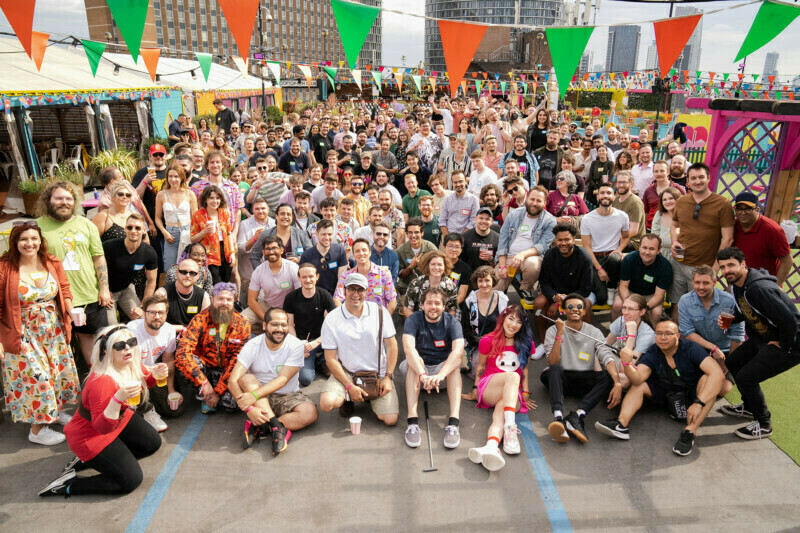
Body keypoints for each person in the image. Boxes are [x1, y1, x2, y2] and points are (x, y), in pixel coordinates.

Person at [39, 326, 163, 497]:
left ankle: (89, 460)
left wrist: (154, 375)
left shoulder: (130, 364)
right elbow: (102, 428)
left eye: (131, 342)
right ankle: (68, 484)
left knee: (152, 443)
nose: (128, 348)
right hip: (90, 435)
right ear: (106, 351)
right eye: (119, 345)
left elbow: (144, 384)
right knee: (132, 480)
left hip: (117, 418)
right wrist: (118, 399)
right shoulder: (101, 381)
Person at [0, 222, 80, 445]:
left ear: (40, 240)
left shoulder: (51, 261)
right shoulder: (4, 268)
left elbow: (64, 288)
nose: (29, 243)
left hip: (53, 330)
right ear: (15, 242)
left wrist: (71, 310)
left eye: (34, 238)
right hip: (22, 333)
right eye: (23, 239)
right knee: (38, 379)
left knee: (57, 373)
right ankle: (36, 430)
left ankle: (53, 413)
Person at [595, 320, 724, 457]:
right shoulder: (654, 351)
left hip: (691, 393)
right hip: (665, 391)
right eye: (659, 333)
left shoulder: (691, 348)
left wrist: (699, 403)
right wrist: (627, 364)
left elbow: (717, 374)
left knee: (708, 383)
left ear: (678, 336)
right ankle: (621, 424)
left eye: (668, 333)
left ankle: (690, 432)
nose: (662, 338)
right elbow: (637, 378)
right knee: (639, 385)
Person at [717, 247, 800, 439]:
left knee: (747, 377)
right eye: (722, 267)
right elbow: (748, 310)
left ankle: (764, 424)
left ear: (743, 264)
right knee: (734, 361)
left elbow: (789, 321)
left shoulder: (759, 289)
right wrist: (734, 319)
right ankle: (749, 406)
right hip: (765, 336)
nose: (727, 270)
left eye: (731, 265)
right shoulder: (738, 283)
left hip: (792, 343)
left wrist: (785, 346)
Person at [37, 181, 111, 364]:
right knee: (60, 344)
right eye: (59, 198)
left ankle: (97, 378)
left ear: (75, 202)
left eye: (69, 198)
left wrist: (104, 289)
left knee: (96, 341)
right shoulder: (36, 227)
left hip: (89, 294)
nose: (64, 202)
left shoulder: (87, 225)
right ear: (48, 200)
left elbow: (98, 258)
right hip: (55, 298)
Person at [227, 308, 318, 455]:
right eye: (275, 325)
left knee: (310, 413)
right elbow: (233, 381)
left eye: (283, 325)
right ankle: (278, 427)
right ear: (264, 326)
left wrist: (253, 397)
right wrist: (248, 408)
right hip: (260, 396)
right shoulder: (253, 345)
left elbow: (282, 380)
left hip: (287, 395)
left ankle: (261, 426)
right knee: (247, 378)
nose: (280, 329)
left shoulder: (295, 346)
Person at [319, 273, 399, 426]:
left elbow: (392, 345)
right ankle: (348, 397)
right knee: (327, 403)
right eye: (351, 289)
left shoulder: (380, 312)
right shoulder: (332, 318)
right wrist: (349, 386)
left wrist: (388, 377)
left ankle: (367, 394)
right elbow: (330, 359)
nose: (356, 294)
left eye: (360, 290)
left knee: (390, 419)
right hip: (348, 372)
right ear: (344, 290)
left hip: (377, 372)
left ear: (366, 292)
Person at [465, 305, 536, 472]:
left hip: (511, 394)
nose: (513, 324)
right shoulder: (487, 340)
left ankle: (491, 446)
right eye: (510, 318)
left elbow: (524, 368)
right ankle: (511, 427)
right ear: (503, 319)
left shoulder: (526, 343)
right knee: (513, 376)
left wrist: (524, 393)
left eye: (519, 322)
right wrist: (475, 389)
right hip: (490, 386)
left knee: (499, 417)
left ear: (522, 326)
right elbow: (481, 367)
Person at [540, 293, 619, 444]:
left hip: (584, 378)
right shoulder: (553, 330)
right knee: (554, 369)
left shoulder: (594, 332)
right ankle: (558, 417)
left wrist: (617, 382)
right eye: (570, 306)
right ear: (563, 311)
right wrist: (559, 333)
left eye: (579, 307)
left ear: (584, 311)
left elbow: (606, 356)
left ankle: (577, 415)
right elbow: (552, 361)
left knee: (607, 376)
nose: (574, 309)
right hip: (560, 377)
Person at [401, 287, 465, 449]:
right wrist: (422, 374)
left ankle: (454, 423)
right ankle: (412, 421)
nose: (433, 307)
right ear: (422, 305)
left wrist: (441, 375)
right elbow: (408, 349)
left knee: (455, 364)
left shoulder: (452, 322)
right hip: (419, 371)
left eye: (437, 303)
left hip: (439, 375)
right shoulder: (413, 320)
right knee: (413, 361)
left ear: (444, 307)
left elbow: (458, 351)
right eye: (429, 303)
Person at [175, 282, 251, 413]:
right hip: (205, 369)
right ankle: (203, 392)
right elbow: (183, 352)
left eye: (228, 299)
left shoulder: (243, 324)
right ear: (212, 299)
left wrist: (218, 392)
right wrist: (204, 384)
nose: (224, 303)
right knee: (186, 362)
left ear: (234, 301)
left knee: (231, 405)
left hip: (227, 372)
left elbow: (238, 361)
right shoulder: (199, 319)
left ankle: (212, 396)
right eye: (220, 299)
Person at [669, 163, 735, 314]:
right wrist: (674, 241)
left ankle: (696, 338)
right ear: (688, 181)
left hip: (703, 267)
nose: (697, 181)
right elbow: (674, 225)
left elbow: (728, 239)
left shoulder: (722, 204)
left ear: (708, 178)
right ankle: (678, 337)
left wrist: (714, 270)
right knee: (677, 306)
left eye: (701, 177)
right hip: (679, 264)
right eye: (693, 178)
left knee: (700, 309)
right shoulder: (682, 201)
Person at [678, 264, 744, 396]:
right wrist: (713, 349)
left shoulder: (729, 301)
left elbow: (737, 336)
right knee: (685, 381)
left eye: (706, 283)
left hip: (726, 354)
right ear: (692, 282)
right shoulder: (685, 301)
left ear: (714, 282)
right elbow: (688, 333)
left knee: (721, 390)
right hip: (698, 351)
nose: (701, 287)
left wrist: (728, 363)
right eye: (697, 282)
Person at [127, 294, 183, 430]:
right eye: (152, 312)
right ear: (144, 313)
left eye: (160, 312)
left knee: (174, 410)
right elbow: (129, 365)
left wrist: (171, 390)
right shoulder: (132, 330)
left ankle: (144, 402)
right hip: (132, 376)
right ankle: (146, 409)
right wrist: (151, 371)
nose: (156, 316)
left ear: (166, 313)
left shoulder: (168, 330)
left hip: (153, 375)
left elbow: (168, 361)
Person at [533, 223, 594, 344]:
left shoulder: (584, 257)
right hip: (555, 293)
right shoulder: (550, 254)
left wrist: (563, 301)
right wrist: (554, 297)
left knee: (584, 305)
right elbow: (544, 282)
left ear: (573, 239)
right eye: (560, 240)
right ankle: (544, 342)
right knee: (538, 303)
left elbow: (586, 289)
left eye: (567, 239)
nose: (563, 243)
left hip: (576, 293)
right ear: (556, 240)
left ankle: (583, 343)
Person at [496, 186, 556, 300]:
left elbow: (542, 246)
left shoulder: (550, 221)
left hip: (532, 257)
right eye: (532, 199)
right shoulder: (513, 214)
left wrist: (522, 255)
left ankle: (525, 289)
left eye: (539, 201)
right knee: (494, 288)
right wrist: (502, 266)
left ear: (545, 202)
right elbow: (502, 240)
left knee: (532, 264)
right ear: (527, 198)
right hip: (509, 257)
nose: (534, 203)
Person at [284, 263, 338, 386]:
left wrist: (317, 342)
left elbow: (333, 325)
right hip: (303, 341)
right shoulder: (291, 298)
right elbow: (290, 325)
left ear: (317, 277)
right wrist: (299, 345)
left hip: (323, 338)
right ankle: (315, 361)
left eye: (311, 276)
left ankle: (322, 361)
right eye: (304, 277)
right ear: (298, 278)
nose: (308, 280)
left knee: (341, 336)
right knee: (306, 379)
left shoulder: (325, 295)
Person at [580, 183, 630, 306]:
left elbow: (626, 237)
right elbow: (587, 247)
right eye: (602, 193)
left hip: (612, 258)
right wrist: (599, 269)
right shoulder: (587, 219)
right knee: (602, 299)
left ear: (614, 196)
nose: (605, 196)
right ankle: (598, 287)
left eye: (609, 193)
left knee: (614, 258)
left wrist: (619, 249)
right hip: (595, 258)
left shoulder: (622, 216)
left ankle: (612, 288)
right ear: (597, 197)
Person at [102, 213, 158, 322]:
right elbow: (94, 269)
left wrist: (142, 307)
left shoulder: (149, 252)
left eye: (137, 228)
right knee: (111, 327)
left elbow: (151, 281)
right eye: (129, 227)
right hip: (107, 291)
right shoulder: (109, 246)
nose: (133, 231)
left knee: (142, 320)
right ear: (125, 229)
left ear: (143, 231)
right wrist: (103, 289)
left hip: (126, 289)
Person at [732, 191, 792, 287]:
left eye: (748, 209)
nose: (743, 213)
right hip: (739, 284)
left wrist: (776, 285)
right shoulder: (732, 226)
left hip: (765, 286)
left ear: (757, 210)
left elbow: (787, 261)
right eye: (739, 209)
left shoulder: (772, 230)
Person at [244, 235, 301, 335]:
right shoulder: (259, 271)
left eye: (274, 248)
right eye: (268, 249)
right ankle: (265, 332)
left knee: (290, 332)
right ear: (263, 252)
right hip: (267, 305)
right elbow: (251, 300)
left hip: (289, 308)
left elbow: (301, 295)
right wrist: (267, 318)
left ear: (282, 250)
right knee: (241, 321)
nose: (271, 252)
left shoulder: (292, 268)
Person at [612, 234, 672, 323]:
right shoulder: (629, 259)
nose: (647, 252)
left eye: (652, 249)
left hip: (651, 294)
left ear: (659, 250)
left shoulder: (665, 266)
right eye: (644, 248)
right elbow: (623, 286)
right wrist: (629, 304)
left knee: (656, 312)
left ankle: (652, 335)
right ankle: (616, 333)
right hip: (630, 291)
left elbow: (659, 295)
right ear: (639, 247)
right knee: (618, 305)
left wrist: (645, 307)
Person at [460, 266, 509, 375]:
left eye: (487, 280)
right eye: (480, 281)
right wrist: (481, 342)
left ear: (493, 281)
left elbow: (508, 326)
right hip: (478, 343)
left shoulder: (503, 300)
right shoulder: (469, 301)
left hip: (498, 342)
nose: (484, 284)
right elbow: (465, 328)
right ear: (476, 282)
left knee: (504, 366)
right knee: (481, 371)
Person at [605, 294, 656, 389]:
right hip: (619, 360)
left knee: (623, 380)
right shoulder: (621, 320)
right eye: (624, 308)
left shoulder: (647, 334)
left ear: (642, 312)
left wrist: (631, 336)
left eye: (631, 309)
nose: (625, 312)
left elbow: (624, 368)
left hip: (635, 368)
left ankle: (602, 378)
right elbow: (605, 343)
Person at [333, 239, 397, 313]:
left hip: (377, 319)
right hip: (354, 320)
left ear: (370, 253)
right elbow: (336, 299)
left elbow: (393, 301)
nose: (361, 253)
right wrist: (345, 316)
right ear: (353, 255)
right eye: (357, 251)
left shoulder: (384, 273)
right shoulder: (346, 276)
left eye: (364, 250)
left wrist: (384, 321)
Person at [190, 185, 236, 285]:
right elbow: (193, 239)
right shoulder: (198, 215)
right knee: (215, 284)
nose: (215, 201)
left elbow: (229, 234)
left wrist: (232, 252)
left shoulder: (224, 213)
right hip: (209, 254)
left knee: (225, 282)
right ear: (205, 199)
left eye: (217, 198)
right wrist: (204, 232)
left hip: (226, 251)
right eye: (211, 198)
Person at [155, 165, 197, 272]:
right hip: (170, 233)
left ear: (181, 178)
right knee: (170, 267)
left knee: (187, 266)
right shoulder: (161, 195)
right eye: (170, 176)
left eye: (176, 176)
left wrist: (192, 233)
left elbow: (196, 217)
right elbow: (157, 218)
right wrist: (164, 232)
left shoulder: (190, 194)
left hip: (187, 231)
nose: (173, 180)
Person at [155, 257, 210, 334]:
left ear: (198, 276)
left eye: (192, 273)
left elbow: (205, 324)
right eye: (183, 272)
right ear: (177, 272)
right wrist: (180, 328)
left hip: (192, 338)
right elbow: (155, 323)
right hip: (167, 337)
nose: (188, 275)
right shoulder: (163, 294)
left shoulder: (204, 296)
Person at [236, 197, 275, 305]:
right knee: (247, 304)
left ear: (268, 209)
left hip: (271, 273)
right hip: (248, 273)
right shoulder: (244, 224)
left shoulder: (274, 223)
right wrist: (254, 239)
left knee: (267, 304)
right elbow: (240, 248)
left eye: (263, 208)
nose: (260, 211)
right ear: (252, 210)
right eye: (257, 209)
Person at [300, 219, 348, 295]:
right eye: (323, 234)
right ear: (316, 234)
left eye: (329, 234)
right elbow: (304, 281)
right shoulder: (306, 255)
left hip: (335, 296)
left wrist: (336, 299)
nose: (327, 237)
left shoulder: (340, 251)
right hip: (315, 296)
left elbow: (342, 280)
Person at [404, 250, 458, 317]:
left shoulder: (450, 285)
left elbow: (452, 310)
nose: (436, 268)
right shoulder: (416, 283)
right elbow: (407, 308)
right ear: (427, 265)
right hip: (419, 322)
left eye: (440, 264)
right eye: (433, 264)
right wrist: (416, 324)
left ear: (445, 266)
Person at [396, 218, 438, 295]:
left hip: (428, 288)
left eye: (416, 232)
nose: (413, 235)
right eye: (410, 232)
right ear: (406, 234)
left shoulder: (431, 248)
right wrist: (410, 267)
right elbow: (400, 275)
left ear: (422, 233)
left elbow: (438, 269)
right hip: (406, 288)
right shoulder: (400, 250)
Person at [641, 161, 685, 230]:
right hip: (651, 229)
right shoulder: (648, 191)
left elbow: (685, 208)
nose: (659, 174)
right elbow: (645, 212)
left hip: (672, 228)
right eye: (656, 171)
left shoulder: (677, 189)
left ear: (668, 172)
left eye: (662, 171)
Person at [439, 170, 480, 236]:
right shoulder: (447, 199)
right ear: (452, 184)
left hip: (467, 237)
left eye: (460, 181)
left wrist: (462, 238)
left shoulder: (473, 200)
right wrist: (448, 238)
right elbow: (442, 220)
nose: (458, 184)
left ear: (465, 182)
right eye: (455, 182)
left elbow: (473, 221)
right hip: (449, 236)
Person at [461, 208, 499, 273]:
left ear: (492, 221)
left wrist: (491, 259)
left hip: (489, 279)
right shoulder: (464, 237)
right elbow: (459, 261)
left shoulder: (498, 238)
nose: (484, 221)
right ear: (476, 219)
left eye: (487, 219)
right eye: (481, 218)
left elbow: (500, 264)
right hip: (468, 278)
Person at [651, 187, 683, 260]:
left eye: (671, 198)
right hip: (663, 257)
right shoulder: (659, 214)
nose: (667, 202)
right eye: (664, 200)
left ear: (678, 199)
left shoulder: (685, 215)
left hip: (681, 256)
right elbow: (654, 237)